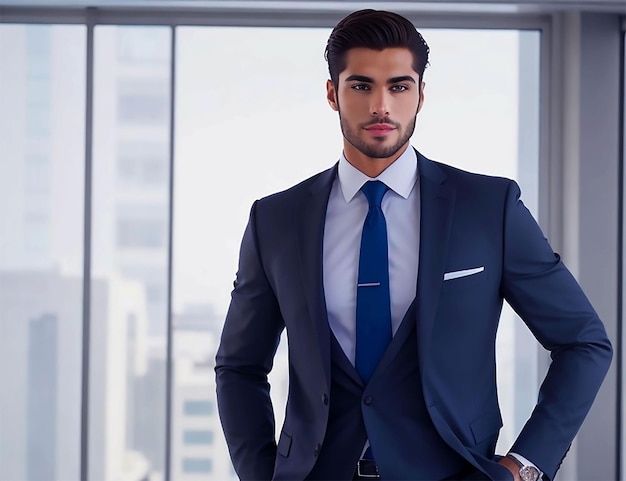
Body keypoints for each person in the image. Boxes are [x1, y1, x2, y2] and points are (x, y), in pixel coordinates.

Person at [215, 9, 612, 481]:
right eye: (361, 86)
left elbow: (584, 342)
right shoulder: (276, 219)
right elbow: (239, 365)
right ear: (332, 94)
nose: (380, 106)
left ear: (421, 95)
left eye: (399, 87)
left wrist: (524, 467)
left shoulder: (488, 207)